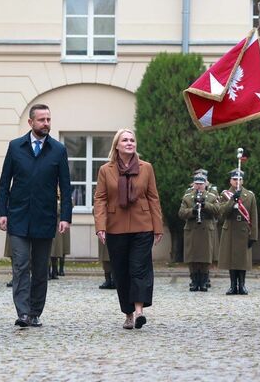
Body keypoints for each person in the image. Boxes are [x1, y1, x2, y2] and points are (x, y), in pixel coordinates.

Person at [0, 103, 72, 328]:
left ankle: (35, 312)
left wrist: (65, 217)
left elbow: (66, 187)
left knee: (40, 268)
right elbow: (4, 183)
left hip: (45, 218)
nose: (46, 124)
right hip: (18, 216)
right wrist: (2, 212)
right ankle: (23, 313)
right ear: (31, 122)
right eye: (41, 120)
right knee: (20, 265)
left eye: (48, 119)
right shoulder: (15, 147)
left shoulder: (58, 150)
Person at [93, 129, 163, 330]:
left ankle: (140, 311)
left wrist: (157, 226)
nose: (130, 143)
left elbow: (153, 198)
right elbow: (100, 199)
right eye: (125, 140)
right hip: (116, 227)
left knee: (139, 268)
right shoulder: (106, 170)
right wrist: (101, 226)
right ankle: (128, 314)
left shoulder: (146, 168)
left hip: (143, 225)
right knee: (121, 272)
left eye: (132, 139)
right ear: (117, 145)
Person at [217, 169, 258, 295]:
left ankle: (242, 285)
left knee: (242, 260)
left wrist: (254, 236)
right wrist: (232, 201)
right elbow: (222, 213)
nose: (237, 182)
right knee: (231, 260)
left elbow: (254, 216)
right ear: (230, 180)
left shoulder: (249, 195)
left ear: (243, 180)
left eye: (239, 179)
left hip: (244, 231)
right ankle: (232, 285)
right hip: (230, 230)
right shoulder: (225, 194)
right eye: (235, 179)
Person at [178, 174, 219, 292]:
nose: (199, 186)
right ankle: (194, 281)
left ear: (205, 184)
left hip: (206, 229)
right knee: (192, 257)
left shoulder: (211, 196)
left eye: (201, 184)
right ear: (193, 184)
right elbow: (181, 213)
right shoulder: (187, 197)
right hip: (192, 230)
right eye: (196, 184)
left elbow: (218, 210)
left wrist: (205, 205)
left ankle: (204, 280)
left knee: (205, 257)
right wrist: (193, 211)